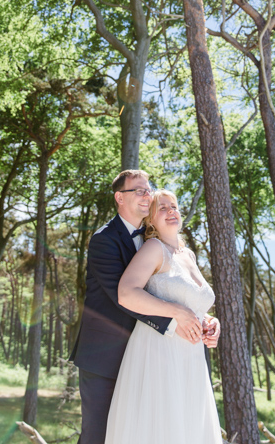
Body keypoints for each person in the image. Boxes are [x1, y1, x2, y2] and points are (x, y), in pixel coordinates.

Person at [71, 169, 220, 444]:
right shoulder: (105, 239)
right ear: (119, 197)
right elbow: (123, 297)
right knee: (100, 435)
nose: (146, 194)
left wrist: (206, 320)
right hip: (107, 355)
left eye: (147, 189)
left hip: (156, 354)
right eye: (138, 190)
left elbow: (178, 295)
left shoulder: (166, 245)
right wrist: (176, 321)